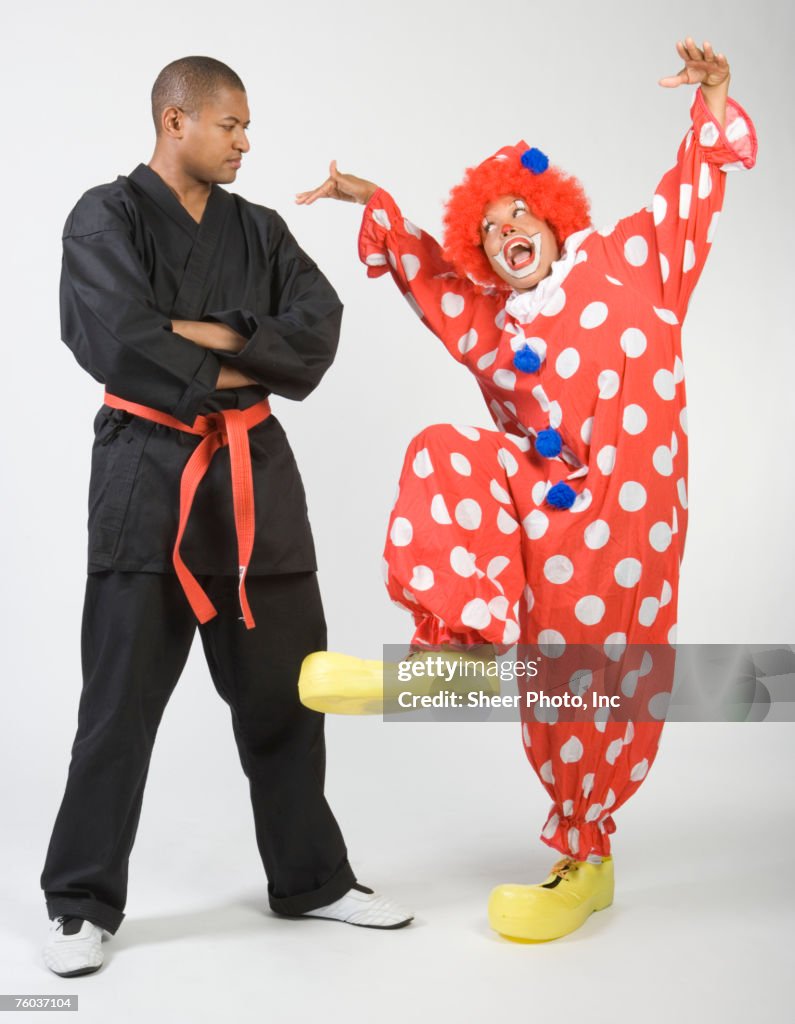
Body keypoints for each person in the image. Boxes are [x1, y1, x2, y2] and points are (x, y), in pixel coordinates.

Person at [295, 38, 756, 941]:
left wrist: (709, 106)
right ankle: (458, 641)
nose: (508, 229)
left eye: (521, 214)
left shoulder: (632, 264)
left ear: (551, 220)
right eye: (491, 227)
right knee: (444, 449)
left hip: (626, 531)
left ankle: (586, 857)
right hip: (547, 516)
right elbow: (432, 283)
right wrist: (379, 205)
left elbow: (689, 195)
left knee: (588, 681)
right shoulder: (495, 328)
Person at [42, 55, 412, 979]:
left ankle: (313, 880)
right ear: (176, 121)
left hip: (257, 487)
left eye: (247, 127)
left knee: (289, 696)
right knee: (117, 709)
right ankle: (81, 902)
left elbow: (317, 326)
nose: (247, 142)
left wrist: (205, 331)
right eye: (232, 125)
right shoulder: (104, 215)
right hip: (145, 485)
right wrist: (251, 346)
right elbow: (116, 336)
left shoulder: (262, 228)